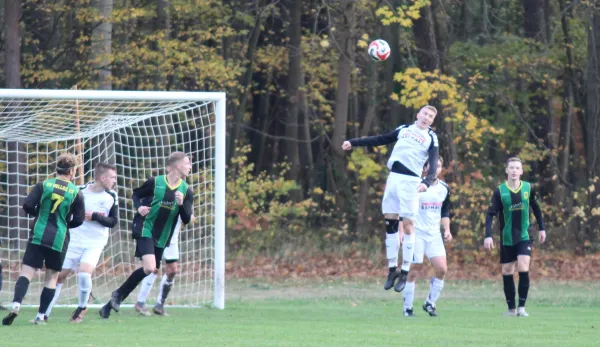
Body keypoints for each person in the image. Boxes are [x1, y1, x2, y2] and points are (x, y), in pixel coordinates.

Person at [342, 105, 439, 293]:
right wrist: (353, 142)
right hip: (393, 178)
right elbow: (380, 139)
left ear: (432, 121)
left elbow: (433, 163)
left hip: (411, 181)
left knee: (409, 226)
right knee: (390, 223)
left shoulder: (431, 138)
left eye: (431, 116)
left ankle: (404, 272)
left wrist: (427, 182)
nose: (427, 117)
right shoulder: (403, 130)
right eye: (425, 114)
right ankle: (392, 269)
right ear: (418, 114)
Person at [99, 152, 193, 319]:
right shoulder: (155, 182)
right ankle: (120, 295)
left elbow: (186, 218)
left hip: (163, 235)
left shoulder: (186, 191)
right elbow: (136, 194)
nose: (190, 166)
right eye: (187, 163)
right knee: (150, 267)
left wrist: (180, 205)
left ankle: (112, 301)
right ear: (178, 166)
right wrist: (139, 207)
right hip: (145, 227)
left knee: (150, 269)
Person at [2, 153, 85, 326]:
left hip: (39, 234)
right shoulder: (77, 193)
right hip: (59, 239)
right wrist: (64, 225)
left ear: (57, 169)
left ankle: (16, 305)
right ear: (71, 171)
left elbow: (27, 205)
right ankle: (40, 316)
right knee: (51, 278)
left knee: (27, 272)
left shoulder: (44, 185)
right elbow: (79, 219)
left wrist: (39, 215)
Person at [44, 163, 118, 323]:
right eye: (112, 177)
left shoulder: (111, 196)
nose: (114, 181)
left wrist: (96, 217)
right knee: (59, 276)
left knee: (84, 273)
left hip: (95, 243)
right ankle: (45, 313)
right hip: (74, 240)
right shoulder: (79, 191)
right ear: (102, 177)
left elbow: (113, 221)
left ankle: (81, 308)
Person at [485, 157, 546, 317]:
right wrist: (488, 235)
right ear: (506, 170)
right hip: (507, 237)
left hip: (525, 234)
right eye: (511, 167)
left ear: (521, 171)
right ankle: (511, 309)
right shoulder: (500, 191)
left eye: (517, 168)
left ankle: (522, 308)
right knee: (507, 270)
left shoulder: (528, 188)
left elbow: (536, 208)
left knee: (523, 265)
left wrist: (542, 228)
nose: (514, 170)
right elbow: (490, 214)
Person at [402, 157, 451, 317]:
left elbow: (444, 211)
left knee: (442, 269)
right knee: (414, 269)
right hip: (417, 234)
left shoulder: (444, 188)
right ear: (425, 169)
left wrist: (447, 230)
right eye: (432, 166)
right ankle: (407, 307)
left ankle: (430, 303)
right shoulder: (416, 186)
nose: (435, 169)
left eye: (438, 166)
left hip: (434, 235)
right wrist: (403, 231)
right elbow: (405, 210)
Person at [134, 214, 195, 317]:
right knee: (153, 268)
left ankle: (159, 305)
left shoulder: (184, 199)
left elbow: (187, 216)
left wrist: (188, 217)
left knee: (173, 270)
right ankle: (140, 302)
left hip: (172, 240)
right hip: (157, 237)